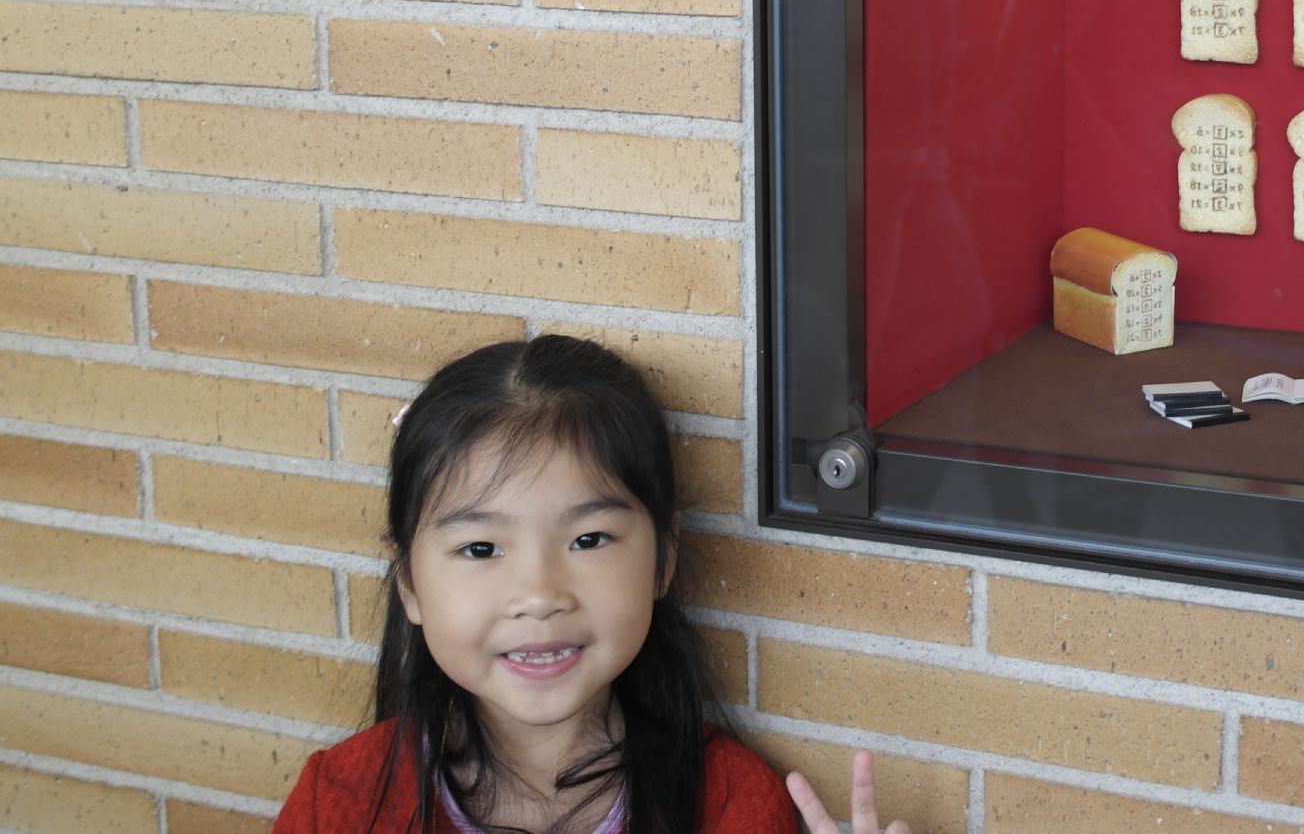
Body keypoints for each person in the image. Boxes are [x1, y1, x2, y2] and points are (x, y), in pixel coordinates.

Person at [273, 335, 908, 834]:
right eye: (481, 548)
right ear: (410, 584)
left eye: (589, 540)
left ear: (663, 558)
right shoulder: (341, 802)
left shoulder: (728, 804)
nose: (539, 595)